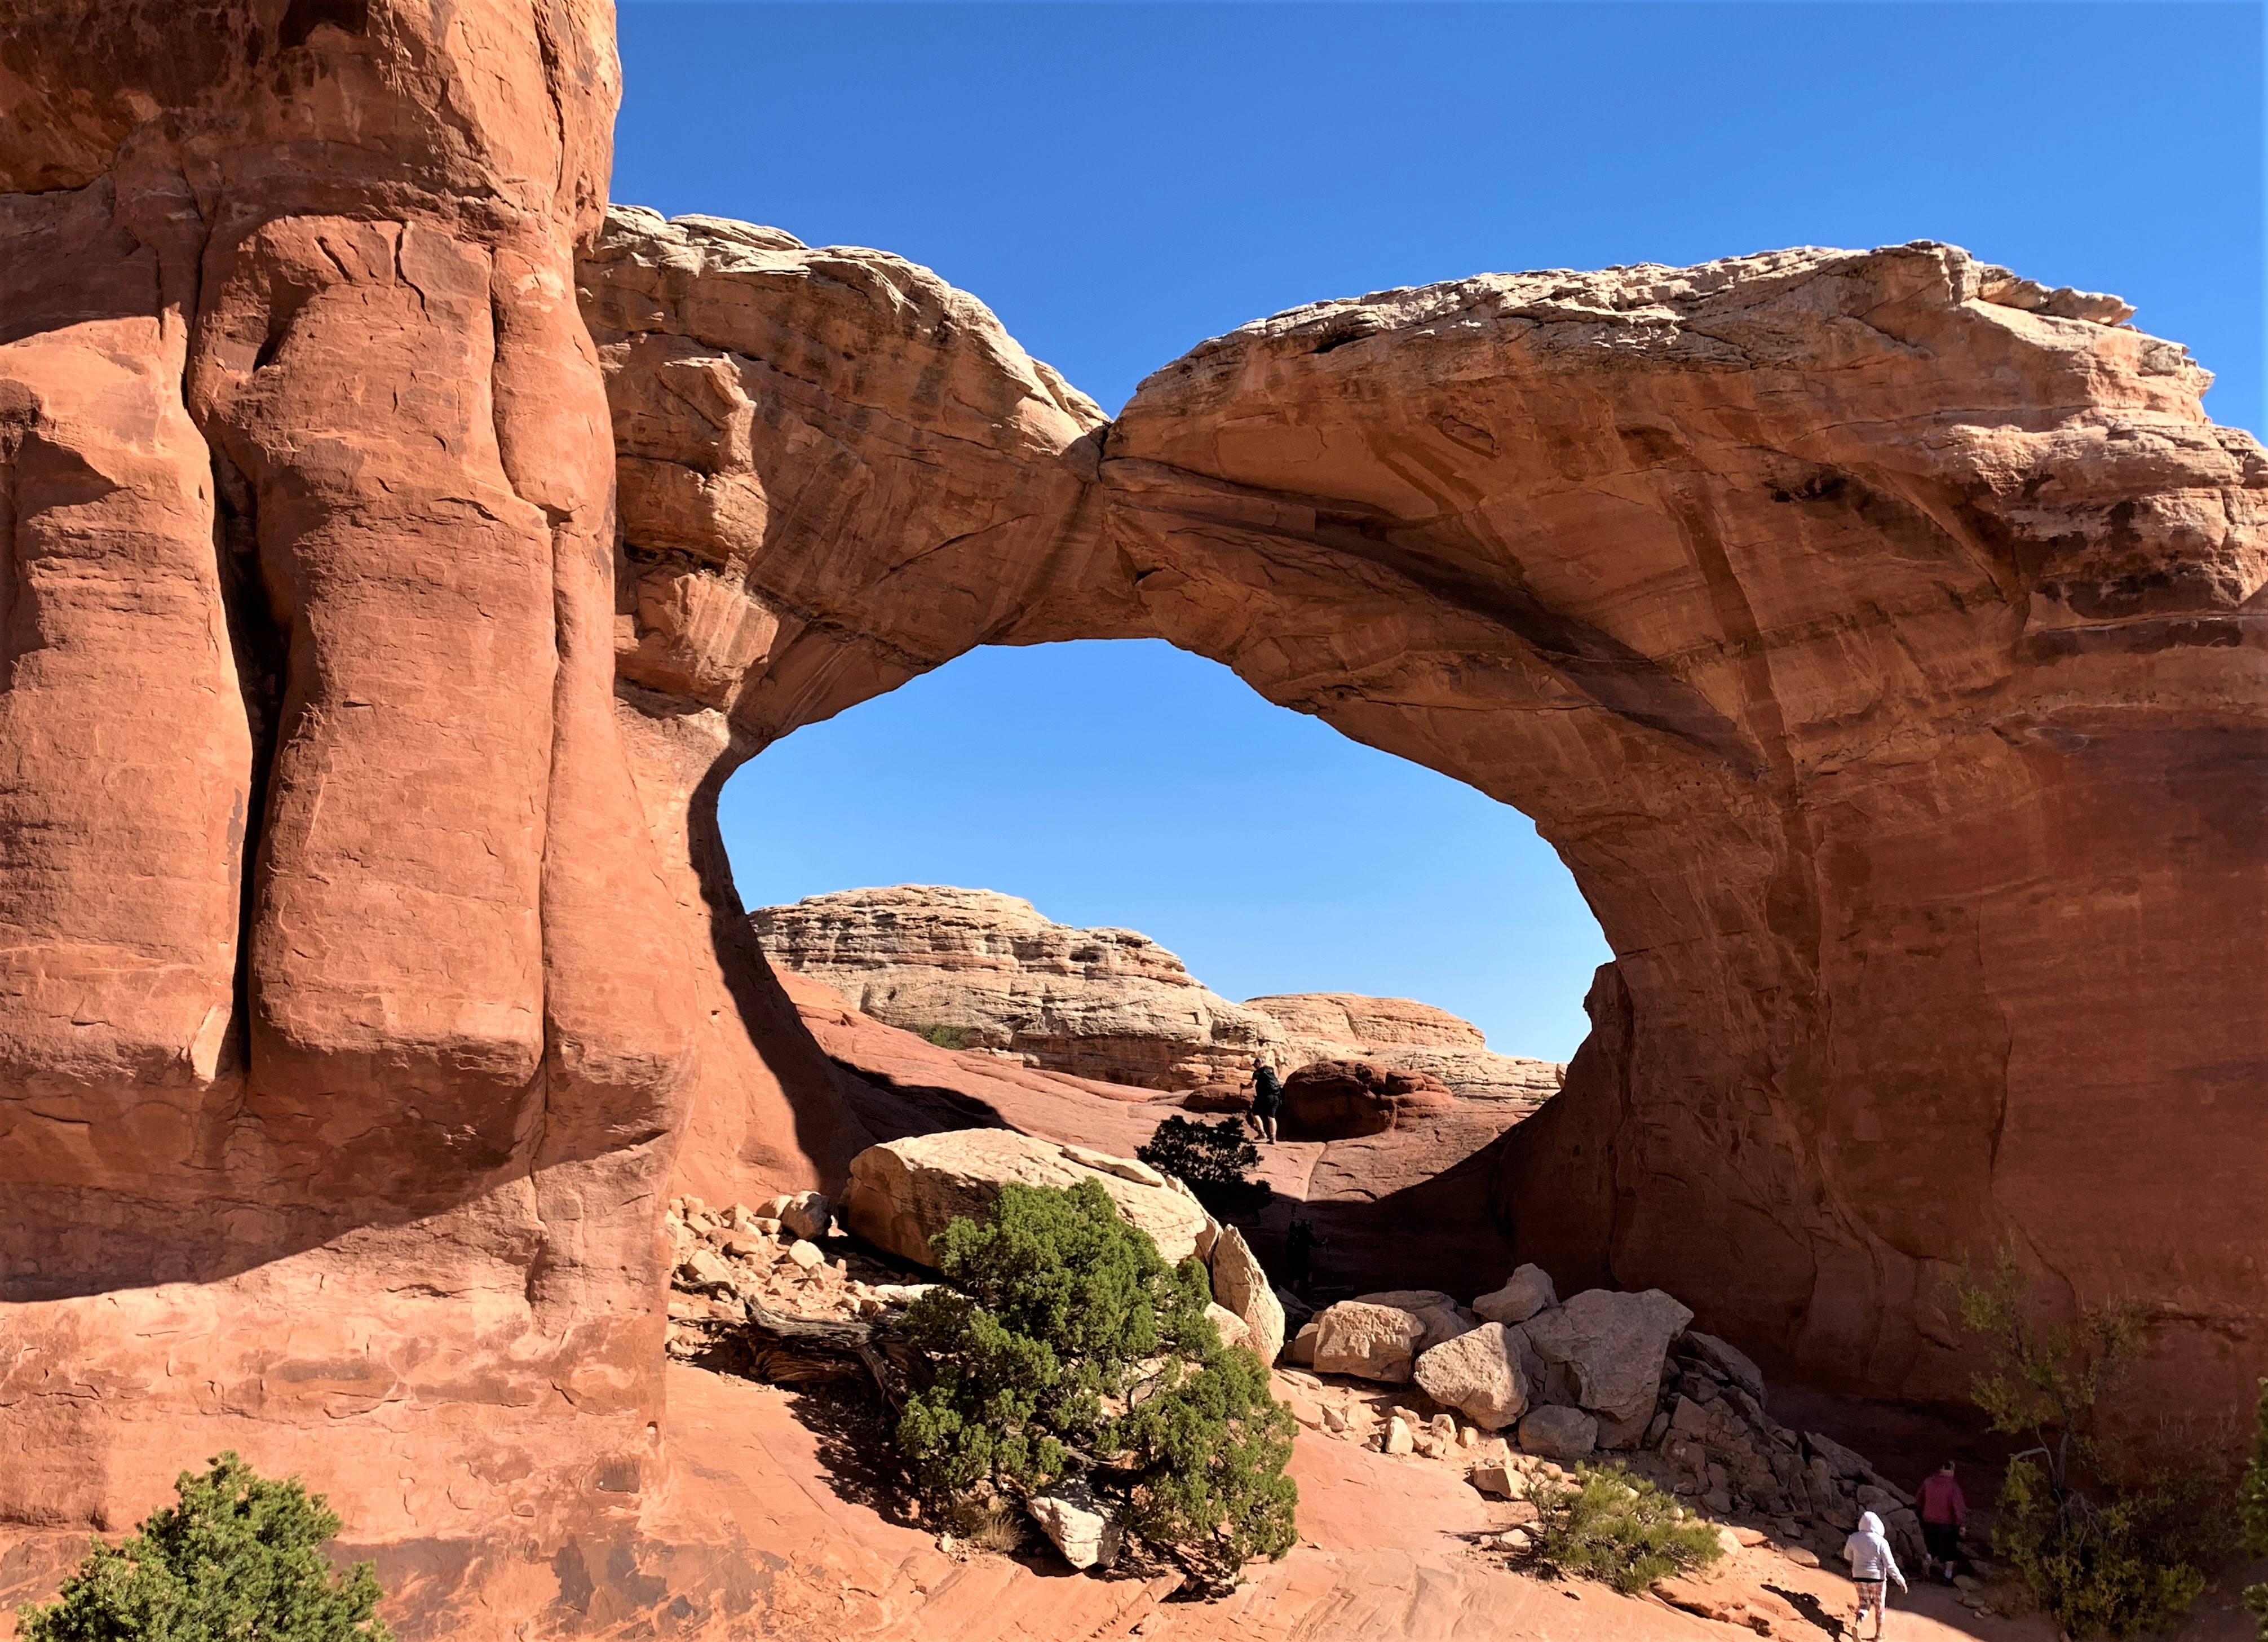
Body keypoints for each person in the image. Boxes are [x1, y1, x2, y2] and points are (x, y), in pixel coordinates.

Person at [1843, 1510, 1908, 1640]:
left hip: (1859, 1576)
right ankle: (1878, 1635)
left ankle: (1858, 1624)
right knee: (1879, 1605)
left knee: (1864, 1604)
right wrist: (1900, 1580)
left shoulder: (1853, 1538)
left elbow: (1847, 1556)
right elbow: (1890, 1565)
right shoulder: (1881, 1542)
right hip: (1877, 1578)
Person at [1916, 1460, 1968, 1582]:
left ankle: (1926, 1570)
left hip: (1929, 1521)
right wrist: (1962, 1524)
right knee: (1949, 1551)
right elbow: (1958, 1507)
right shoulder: (1953, 1486)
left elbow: (1918, 1500)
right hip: (1948, 1524)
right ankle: (1948, 1576)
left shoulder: (1928, 1482)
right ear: (1952, 1471)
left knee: (1930, 1549)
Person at [1248, 1054, 1284, 1144]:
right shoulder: (1271, 1070)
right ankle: (1273, 1138)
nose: (1255, 1067)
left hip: (1265, 1097)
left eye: (1255, 1065)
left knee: (1254, 1113)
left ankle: (1262, 1133)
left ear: (1258, 1063)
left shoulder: (1258, 1072)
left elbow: (1252, 1084)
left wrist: (1244, 1087)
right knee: (1272, 1117)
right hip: (1276, 1096)